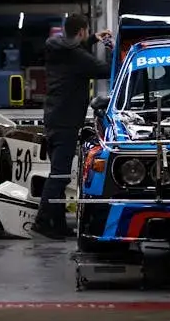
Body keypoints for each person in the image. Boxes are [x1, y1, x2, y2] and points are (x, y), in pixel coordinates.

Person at [32, 14, 112, 239]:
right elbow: (105, 70)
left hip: (54, 118)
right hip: (66, 121)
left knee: (58, 173)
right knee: (59, 175)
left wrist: (94, 39)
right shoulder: (77, 57)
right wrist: (112, 49)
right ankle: (42, 221)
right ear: (81, 32)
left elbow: (74, 49)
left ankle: (57, 226)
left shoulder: (55, 48)